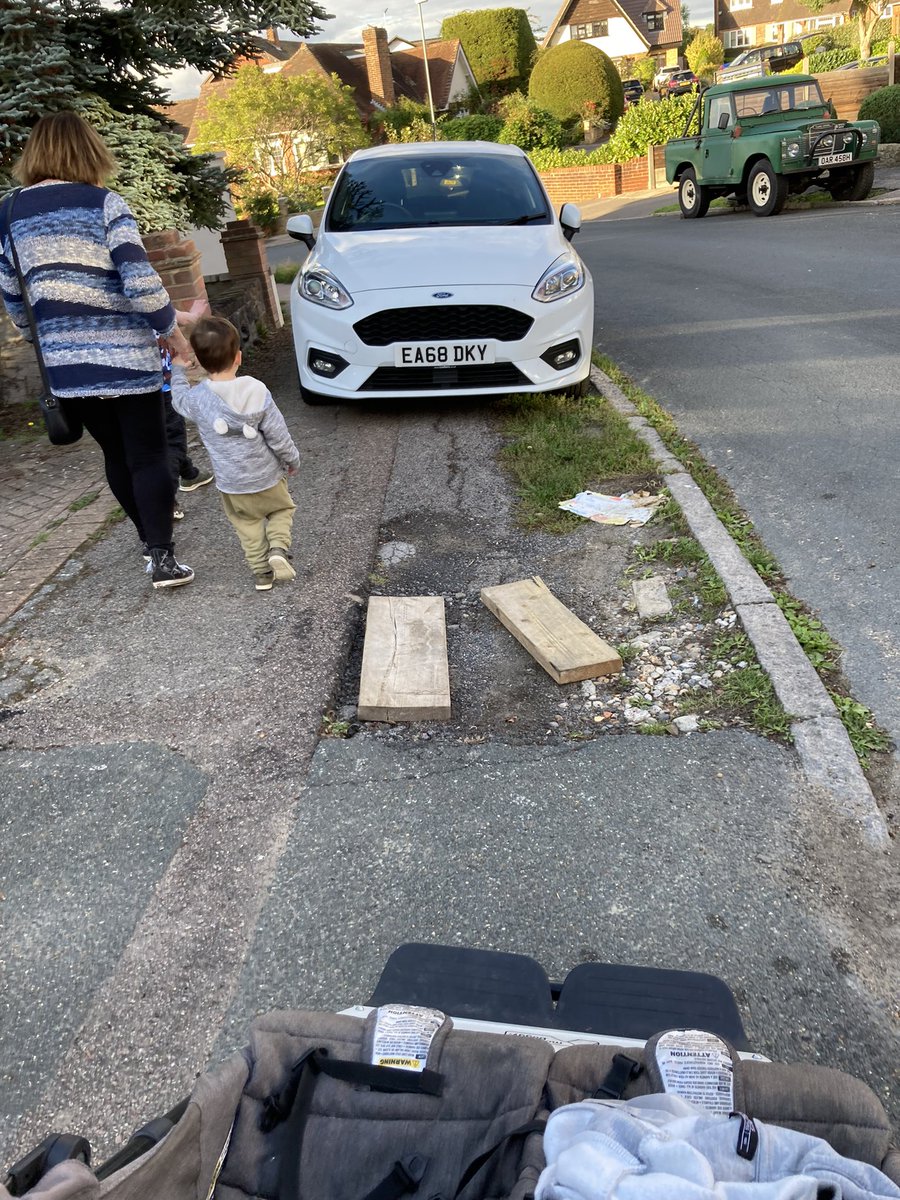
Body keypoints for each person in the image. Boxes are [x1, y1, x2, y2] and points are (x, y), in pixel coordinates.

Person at [0, 111, 194, 589]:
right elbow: (139, 279)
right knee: (149, 455)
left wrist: (37, 339)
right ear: (89, 151)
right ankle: (161, 556)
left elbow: (10, 292)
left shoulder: (8, 213)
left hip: (68, 366)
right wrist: (173, 332)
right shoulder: (104, 203)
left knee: (115, 454)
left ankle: (149, 541)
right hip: (126, 357)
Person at [170, 316, 300, 591]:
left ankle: (261, 574)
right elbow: (278, 434)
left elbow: (178, 400)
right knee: (281, 509)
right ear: (238, 357)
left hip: (232, 484)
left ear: (202, 364)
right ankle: (278, 547)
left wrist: (178, 371)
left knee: (247, 525)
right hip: (267, 476)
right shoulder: (256, 390)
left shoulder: (198, 399)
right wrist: (291, 460)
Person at [161, 299, 215, 522]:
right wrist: (182, 357)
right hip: (160, 387)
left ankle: (189, 474)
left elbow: (165, 313)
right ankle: (166, 501)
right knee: (172, 442)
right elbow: (159, 312)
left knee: (158, 441)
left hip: (131, 391)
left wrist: (189, 317)